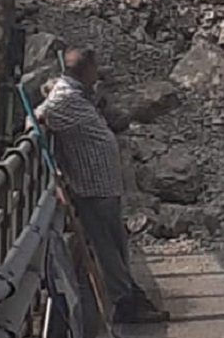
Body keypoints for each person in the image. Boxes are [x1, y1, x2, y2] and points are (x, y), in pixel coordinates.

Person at [34, 47, 168, 326]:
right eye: (94, 68)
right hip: (93, 187)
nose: (97, 74)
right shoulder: (65, 97)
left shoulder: (77, 93)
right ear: (85, 70)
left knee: (116, 246)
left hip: (104, 185)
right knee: (107, 248)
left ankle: (129, 295)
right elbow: (37, 117)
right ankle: (124, 302)